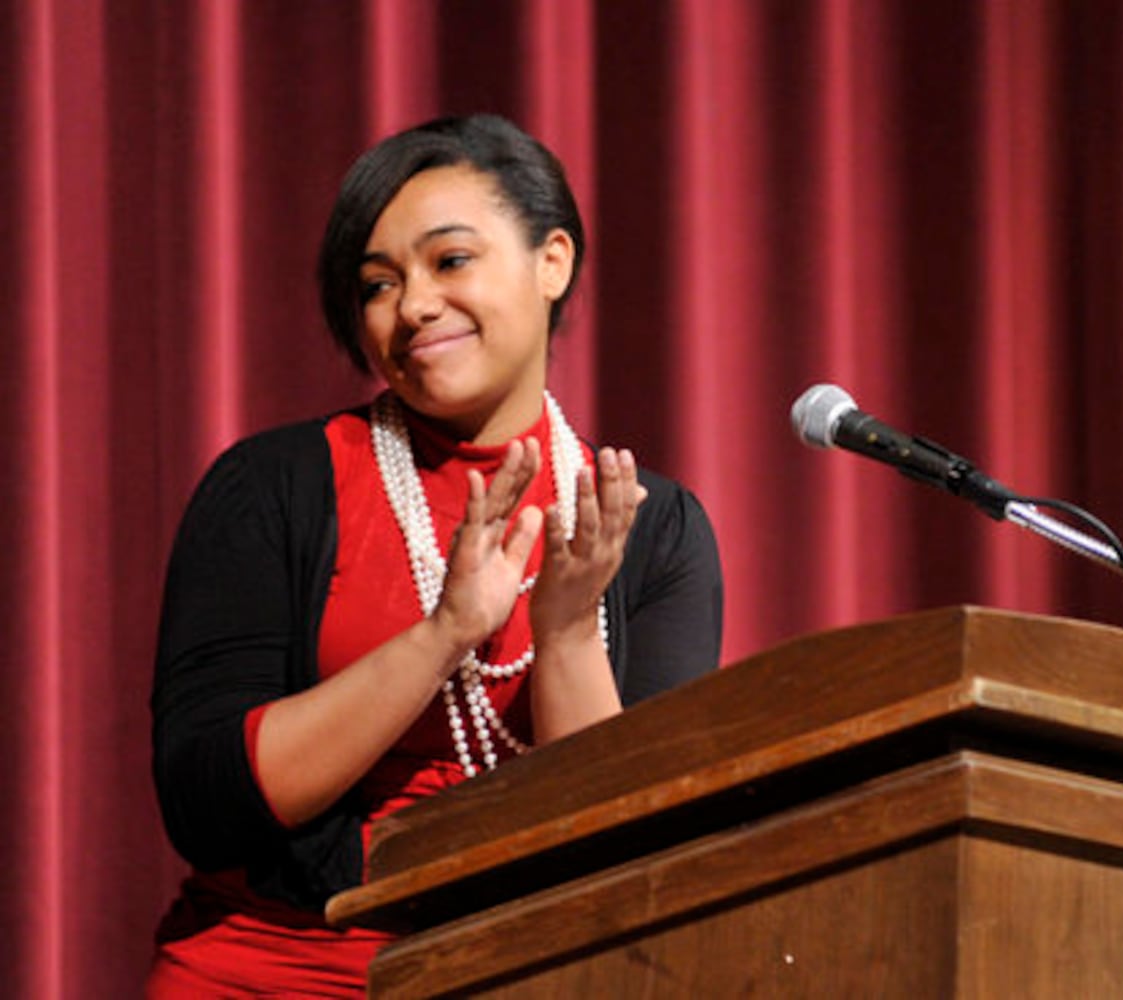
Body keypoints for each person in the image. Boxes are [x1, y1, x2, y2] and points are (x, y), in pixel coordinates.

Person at [147, 113, 723, 995]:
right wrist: (446, 632)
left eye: (450, 261)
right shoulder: (272, 486)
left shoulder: (649, 527)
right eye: (378, 284)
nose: (412, 305)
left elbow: (635, 846)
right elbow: (207, 802)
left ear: (552, 261)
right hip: (275, 968)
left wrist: (567, 635)